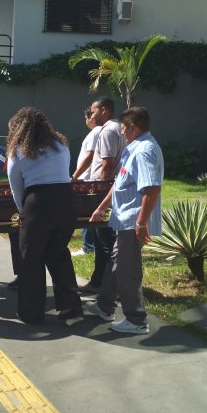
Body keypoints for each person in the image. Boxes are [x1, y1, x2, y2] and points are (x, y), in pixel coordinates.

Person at [84, 107, 163, 334]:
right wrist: (101, 208)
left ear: (133, 127)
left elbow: (151, 188)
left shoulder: (144, 151)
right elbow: (119, 183)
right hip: (125, 220)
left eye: (123, 130)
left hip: (132, 221)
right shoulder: (133, 148)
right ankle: (105, 306)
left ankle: (136, 319)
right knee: (117, 263)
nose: (121, 133)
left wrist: (141, 223)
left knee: (128, 270)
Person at [6, 107, 82, 324]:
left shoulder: (18, 150)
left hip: (37, 203)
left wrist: (24, 213)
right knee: (59, 254)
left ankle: (31, 312)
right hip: (66, 201)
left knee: (30, 260)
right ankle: (70, 308)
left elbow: (16, 188)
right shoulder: (60, 145)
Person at [79, 97, 125, 294]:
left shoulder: (108, 130)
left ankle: (109, 287)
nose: (91, 115)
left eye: (93, 111)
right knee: (101, 240)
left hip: (102, 192)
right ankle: (98, 282)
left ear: (104, 110)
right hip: (108, 191)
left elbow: (107, 165)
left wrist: (101, 198)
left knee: (105, 242)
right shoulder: (117, 128)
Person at [72, 106, 102, 253]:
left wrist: (75, 176)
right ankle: (91, 245)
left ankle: (89, 246)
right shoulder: (99, 132)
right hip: (89, 178)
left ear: (90, 117)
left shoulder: (95, 132)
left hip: (87, 179)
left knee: (86, 212)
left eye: (86, 118)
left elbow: (89, 156)